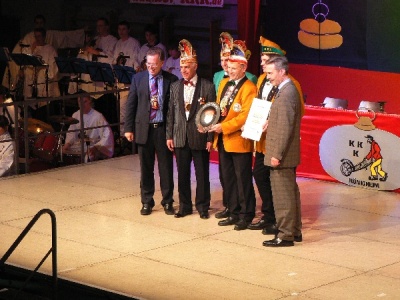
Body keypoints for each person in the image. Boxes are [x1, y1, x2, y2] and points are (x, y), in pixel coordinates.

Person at [247, 37, 305, 234]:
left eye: (267, 63)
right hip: (266, 140)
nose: (264, 70)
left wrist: (277, 153)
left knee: (284, 192)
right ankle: (279, 222)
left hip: (280, 147)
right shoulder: (265, 80)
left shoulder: (290, 88)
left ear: (280, 68)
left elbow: (289, 121)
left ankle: (285, 229)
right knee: (271, 183)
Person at [209, 40, 257, 230]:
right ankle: (232, 209)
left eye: (233, 68)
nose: (229, 70)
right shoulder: (224, 84)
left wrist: (224, 127)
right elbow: (218, 107)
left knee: (242, 178)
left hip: (238, 139)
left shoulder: (249, 88)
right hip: (222, 139)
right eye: (228, 67)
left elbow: (245, 116)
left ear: (243, 67)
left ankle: (246, 214)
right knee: (227, 177)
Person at [124, 47, 178, 216]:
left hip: (162, 129)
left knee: (166, 168)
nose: (151, 67)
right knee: (146, 168)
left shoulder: (171, 79)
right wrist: (128, 128)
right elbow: (131, 104)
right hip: (144, 129)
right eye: (148, 64)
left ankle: (168, 201)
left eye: (154, 64)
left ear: (162, 62)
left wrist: (172, 133)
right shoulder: (138, 78)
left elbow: (174, 109)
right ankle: (147, 201)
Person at [166, 39, 215, 219]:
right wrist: (169, 135)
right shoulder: (175, 86)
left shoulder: (207, 86)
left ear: (195, 66)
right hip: (179, 136)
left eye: (187, 67)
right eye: (181, 67)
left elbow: (212, 113)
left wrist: (210, 137)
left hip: (199, 136)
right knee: (183, 174)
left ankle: (203, 206)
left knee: (202, 174)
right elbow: (170, 113)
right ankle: (185, 206)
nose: (183, 70)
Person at [262, 56, 302, 247]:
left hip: (282, 155)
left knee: (283, 196)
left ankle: (285, 235)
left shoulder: (286, 94)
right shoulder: (287, 90)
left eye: (270, 73)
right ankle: (294, 231)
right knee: (290, 193)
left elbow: (286, 128)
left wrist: (276, 154)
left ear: (281, 71)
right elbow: (284, 120)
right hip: (287, 154)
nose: (267, 77)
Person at [2, 14, 85, 93]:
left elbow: (65, 37)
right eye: (37, 23)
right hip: (30, 81)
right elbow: (21, 55)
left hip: (45, 81)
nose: (39, 25)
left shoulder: (51, 39)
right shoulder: (28, 37)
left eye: (41, 23)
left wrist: (83, 33)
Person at [62, 91, 114, 162]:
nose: (82, 105)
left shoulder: (98, 116)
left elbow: (107, 135)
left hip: (92, 147)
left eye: (85, 102)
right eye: (80, 102)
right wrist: (68, 143)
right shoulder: (75, 115)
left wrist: (96, 148)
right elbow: (71, 133)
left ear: (90, 101)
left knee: (87, 157)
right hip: (79, 146)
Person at [112, 20, 141, 137]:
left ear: (128, 30)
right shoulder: (118, 43)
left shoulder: (134, 43)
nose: (121, 32)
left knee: (126, 110)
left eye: (124, 29)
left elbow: (136, 62)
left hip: (129, 81)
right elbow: (114, 61)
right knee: (121, 110)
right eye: (119, 29)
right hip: (119, 81)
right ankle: (121, 135)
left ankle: (125, 136)